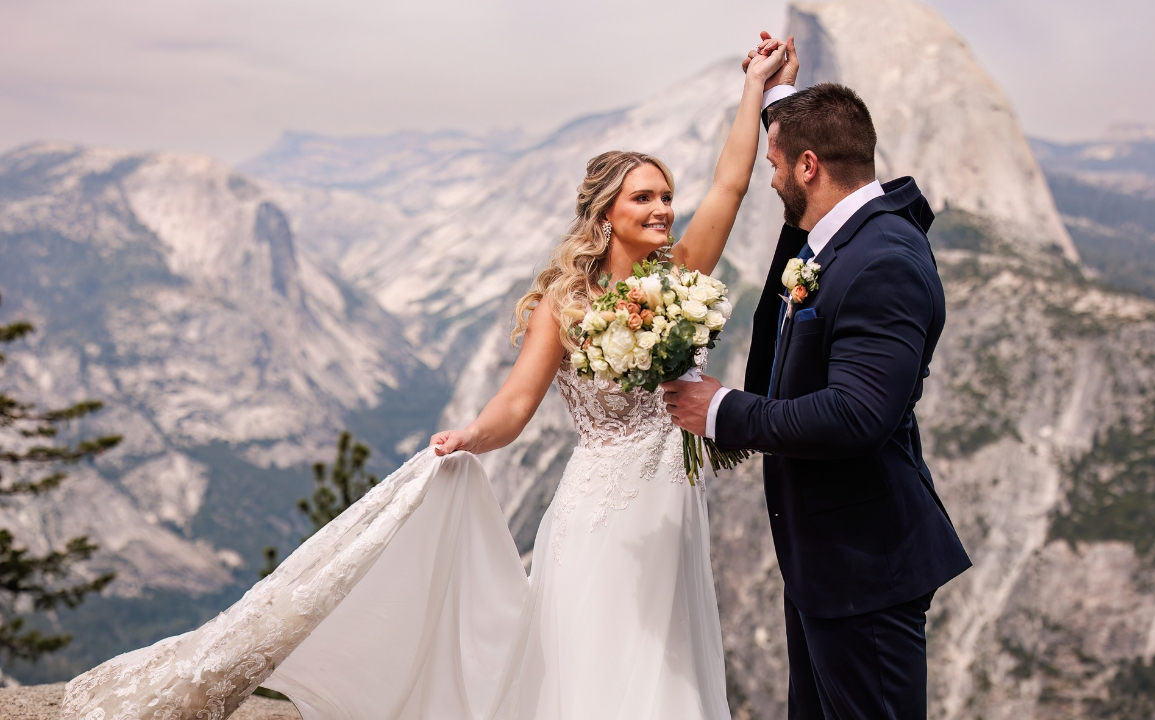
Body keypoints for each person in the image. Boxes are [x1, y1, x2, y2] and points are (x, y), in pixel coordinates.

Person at [61, 38, 788, 720]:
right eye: (644, 198)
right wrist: (472, 435)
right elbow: (515, 404)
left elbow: (730, 184)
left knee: (668, 656)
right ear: (604, 213)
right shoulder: (563, 306)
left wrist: (754, 87)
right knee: (599, 656)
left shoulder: (682, 276)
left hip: (673, 501)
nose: (663, 209)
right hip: (602, 509)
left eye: (665, 196)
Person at [662, 32, 972, 720]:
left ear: (808, 166)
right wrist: (779, 96)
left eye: (777, 164)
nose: (769, 177)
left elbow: (858, 414)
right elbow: (791, 250)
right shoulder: (844, 235)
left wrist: (724, 412)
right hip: (829, 569)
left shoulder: (884, 259)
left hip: (868, 573)